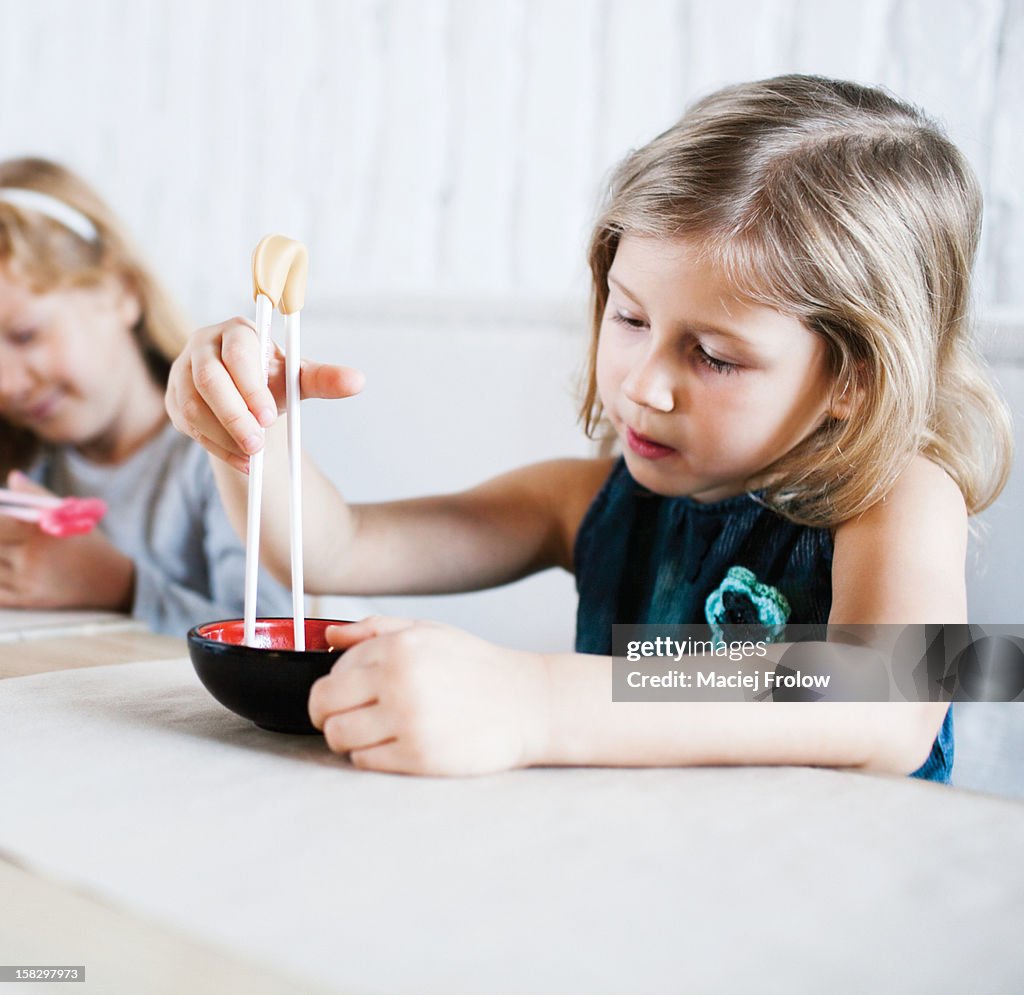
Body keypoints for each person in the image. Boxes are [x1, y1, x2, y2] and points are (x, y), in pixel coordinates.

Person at [166, 75, 1013, 778]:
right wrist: (246, 430)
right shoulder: (586, 501)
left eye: (714, 355)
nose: (644, 385)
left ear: (854, 378)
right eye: (631, 318)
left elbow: (885, 696)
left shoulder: (898, 497)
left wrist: (534, 697)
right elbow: (334, 548)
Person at [0, 157, 291, 635]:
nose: (8, 385)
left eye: (26, 334)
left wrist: (123, 587)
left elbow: (275, 635)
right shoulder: (31, 465)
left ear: (122, 293)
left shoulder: (222, 453)